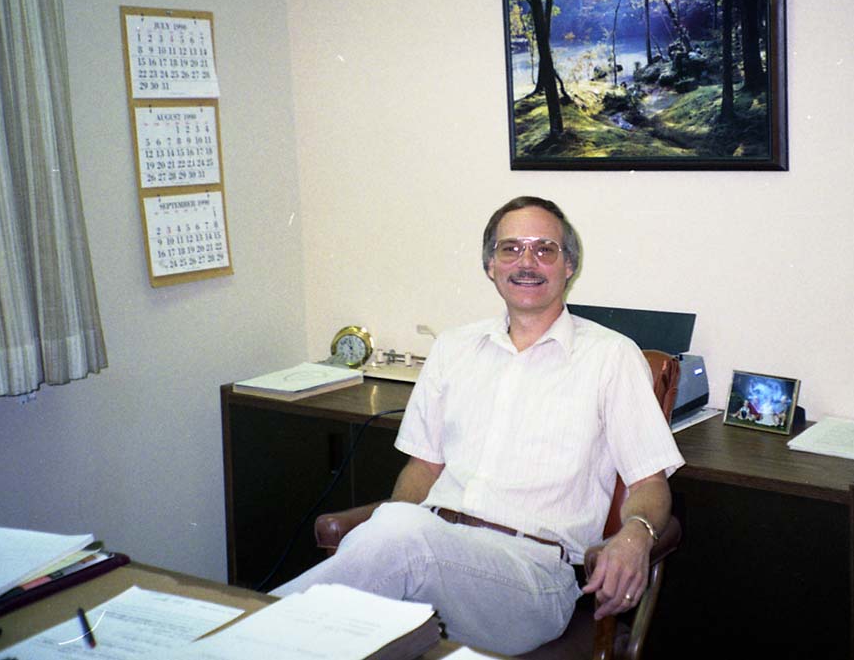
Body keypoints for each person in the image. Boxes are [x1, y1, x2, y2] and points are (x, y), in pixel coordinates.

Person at [272, 196, 684, 655]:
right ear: (490, 265)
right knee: (379, 571)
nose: (527, 262)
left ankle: (249, 633)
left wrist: (635, 535)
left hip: (532, 578)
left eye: (544, 249)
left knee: (399, 542)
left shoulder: (611, 357)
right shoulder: (453, 348)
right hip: (432, 549)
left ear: (569, 265)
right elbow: (423, 470)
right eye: (511, 249)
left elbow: (650, 481)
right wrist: (387, 532)